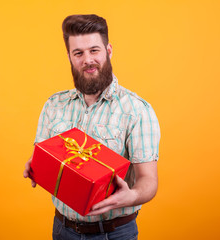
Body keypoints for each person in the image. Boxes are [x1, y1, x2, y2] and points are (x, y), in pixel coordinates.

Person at [23, 14, 160, 240]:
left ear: (108, 50)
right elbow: (48, 157)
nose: (87, 59)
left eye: (94, 50)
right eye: (78, 53)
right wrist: (37, 165)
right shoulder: (53, 105)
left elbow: (149, 181)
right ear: (69, 57)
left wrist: (131, 196)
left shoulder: (137, 110)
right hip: (62, 229)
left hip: (114, 234)